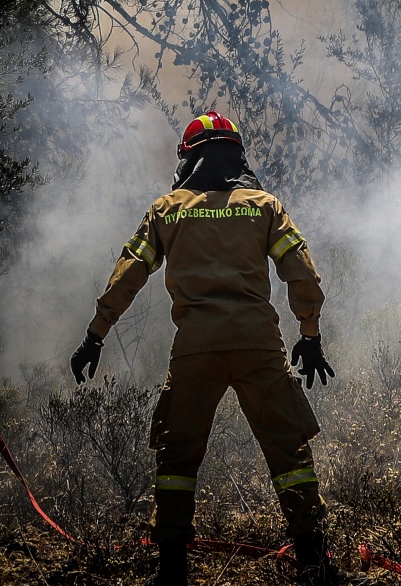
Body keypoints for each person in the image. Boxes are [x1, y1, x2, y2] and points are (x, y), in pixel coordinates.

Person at [69, 111, 345, 586]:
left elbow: (128, 274)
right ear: (236, 154)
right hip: (258, 344)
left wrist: (96, 334)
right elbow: (303, 273)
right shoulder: (263, 205)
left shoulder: (168, 209)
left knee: (177, 459)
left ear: (188, 159)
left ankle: (173, 571)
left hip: (195, 348)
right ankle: (314, 566)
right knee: (289, 453)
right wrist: (311, 334)